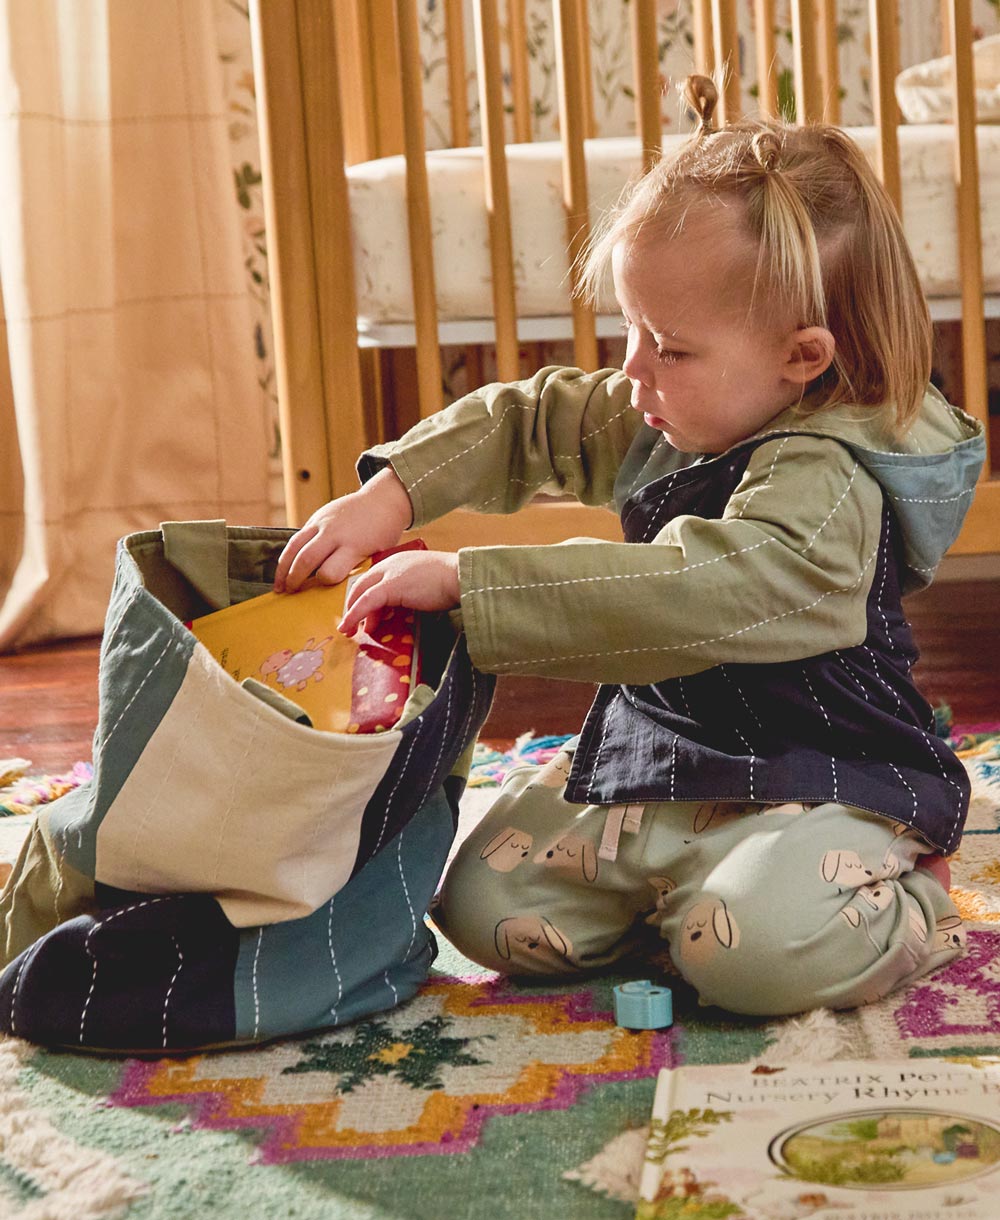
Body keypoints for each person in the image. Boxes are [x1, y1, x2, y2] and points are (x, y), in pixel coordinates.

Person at [274, 76, 986, 1016]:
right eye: (631, 330)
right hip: (671, 762)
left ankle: (901, 897)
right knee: (482, 907)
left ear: (802, 357)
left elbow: (702, 586)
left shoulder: (831, 483)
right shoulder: (684, 407)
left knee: (748, 961)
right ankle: (699, 895)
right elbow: (536, 416)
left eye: (670, 346)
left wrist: (467, 582)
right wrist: (393, 490)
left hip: (821, 775)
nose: (633, 369)